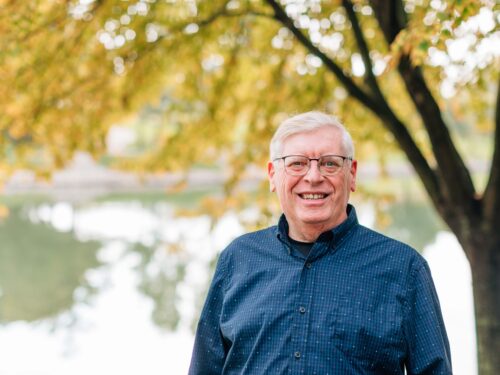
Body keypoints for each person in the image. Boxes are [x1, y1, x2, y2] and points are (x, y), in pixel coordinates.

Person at [188, 111, 452, 374]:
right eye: (297, 164)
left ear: (352, 174)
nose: (313, 176)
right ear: (272, 175)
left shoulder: (404, 268)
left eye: (329, 163)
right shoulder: (238, 259)